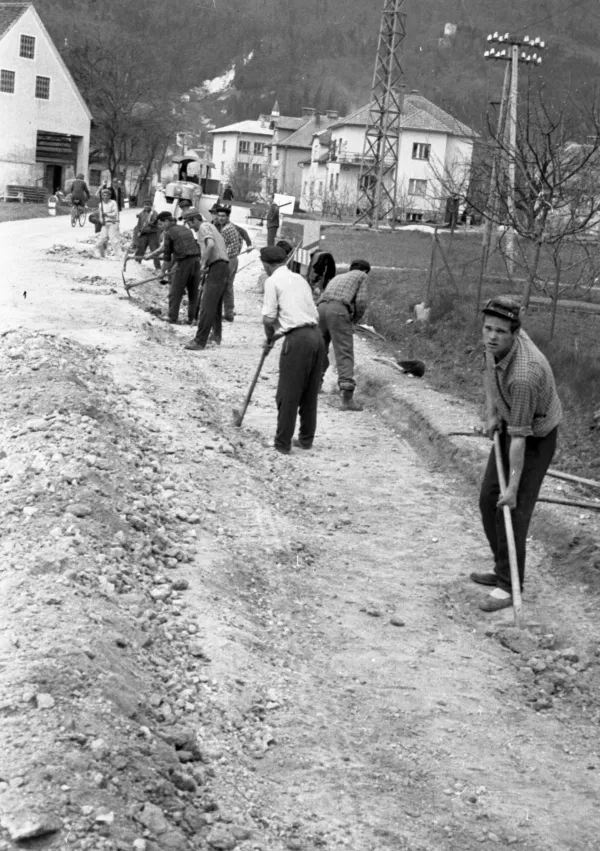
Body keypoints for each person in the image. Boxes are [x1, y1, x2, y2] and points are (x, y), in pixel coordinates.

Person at [472, 295, 562, 612]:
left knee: (510, 510)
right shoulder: (493, 346)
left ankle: (510, 586)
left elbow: (520, 440)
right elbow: (489, 374)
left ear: (515, 332)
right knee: (487, 499)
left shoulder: (524, 375)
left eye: (500, 331)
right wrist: (492, 413)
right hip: (511, 421)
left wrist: (512, 488)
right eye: (488, 328)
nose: (492, 336)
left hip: (535, 437)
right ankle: (501, 569)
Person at [261, 245, 325, 455]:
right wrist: (276, 337)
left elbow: (269, 318)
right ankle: (306, 439)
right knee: (309, 391)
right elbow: (302, 315)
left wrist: (270, 337)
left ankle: (282, 443)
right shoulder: (298, 278)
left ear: (267, 264)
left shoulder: (272, 281)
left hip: (298, 341)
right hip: (317, 337)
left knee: (288, 393)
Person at [317, 260, 370, 411]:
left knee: (320, 347)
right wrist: (354, 320)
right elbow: (361, 301)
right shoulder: (362, 276)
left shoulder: (339, 277)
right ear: (365, 271)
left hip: (321, 308)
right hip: (338, 310)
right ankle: (346, 398)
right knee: (344, 351)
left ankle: (315, 385)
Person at [183, 210, 230, 350]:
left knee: (207, 305)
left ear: (194, 220)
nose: (190, 227)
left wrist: (203, 264)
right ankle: (215, 336)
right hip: (221, 266)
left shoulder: (203, 227)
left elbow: (210, 245)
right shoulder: (212, 226)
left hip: (217, 266)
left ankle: (199, 340)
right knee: (215, 305)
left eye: (189, 223)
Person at [154, 211, 201, 325]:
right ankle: (192, 318)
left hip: (185, 263)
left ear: (166, 221)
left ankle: (172, 317)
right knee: (193, 292)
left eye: (160, 224)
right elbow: (180, 251)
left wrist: (162, 272)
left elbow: (167, 255)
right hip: (197, 261)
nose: (160, 227)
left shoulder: (169, 233)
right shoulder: (185, 229)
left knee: (175, 291)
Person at [214, 204, 244, 322]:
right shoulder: (232, 227)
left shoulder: (226, 229)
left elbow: (220, 247)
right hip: (233, 259)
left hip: (228, 260)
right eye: (219, 215)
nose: (220, 218)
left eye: (223, 216)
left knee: (224, 286)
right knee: (228, 287)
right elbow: (240, 241)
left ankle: (226, 313)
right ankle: (229, 313)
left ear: (228, 217)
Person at [133, 201, 160, 269]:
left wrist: (150, 223)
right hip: (143, 234)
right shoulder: (142, 213)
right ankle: (137, 264)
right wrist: (138, 232)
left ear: (151, 206)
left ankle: (158, 267)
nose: (146, 206)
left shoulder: (154, 213)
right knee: (140, 249)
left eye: (148, 205)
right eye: (145, 205)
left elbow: (156, 222)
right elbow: (139, 224)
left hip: (152, 234)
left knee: (154, 251)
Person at [96, 188, 122, 259]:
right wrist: (102, 221)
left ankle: (118, 256)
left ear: (109, 196)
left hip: (113, 223)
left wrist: (107, 214)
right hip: (105, 224)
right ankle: (98, 253)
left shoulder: (113, 202)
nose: (105, 197)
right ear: (102, 196)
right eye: (104, 195)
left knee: (114, 240)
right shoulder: (100, 204)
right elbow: (101, 215)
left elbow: (115, 213)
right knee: (102, 238)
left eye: (107, 195)